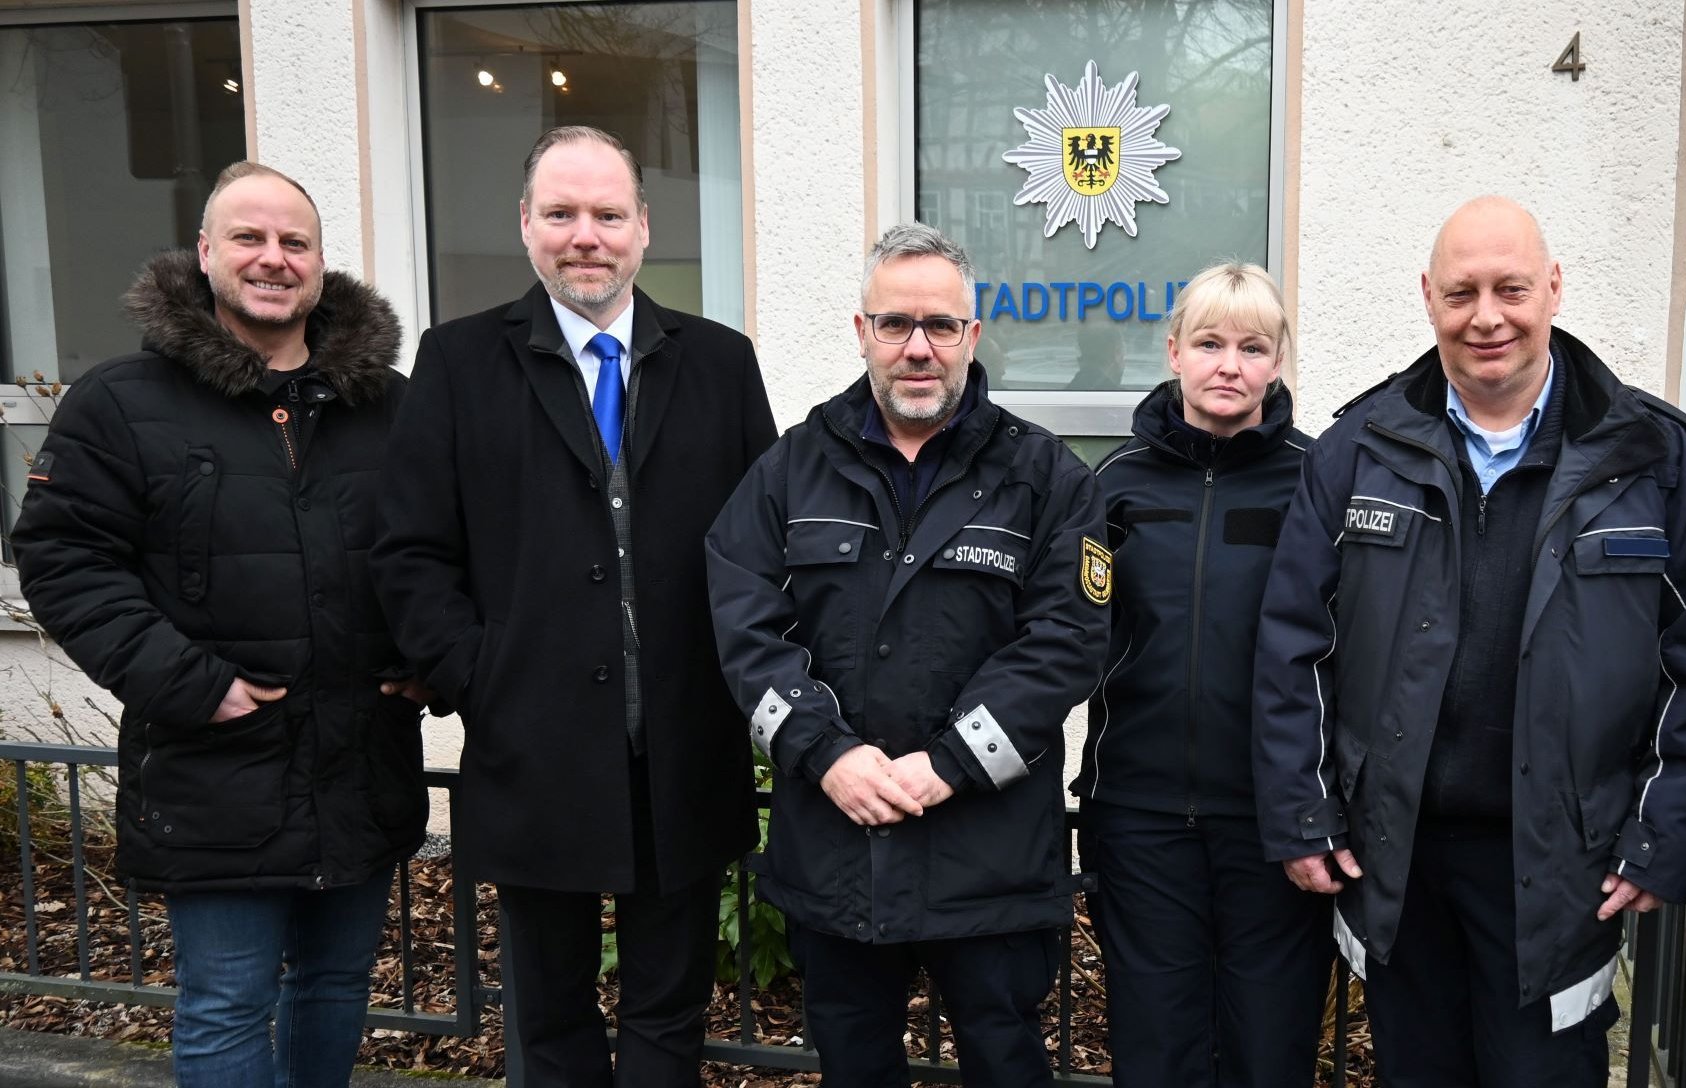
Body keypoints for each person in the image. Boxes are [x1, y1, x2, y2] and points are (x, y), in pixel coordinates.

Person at [1252, 196, 1686, 1086]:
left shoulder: (1657, 460)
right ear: (1428, 298)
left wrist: (1665, 834)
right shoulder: (1358, 450)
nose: (1487, 316)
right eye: (1461, 292)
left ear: (1553, 288)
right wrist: (1301, 811)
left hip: (1564, 864)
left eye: (1511, 288)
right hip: (1394, 857)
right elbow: (1294, 647)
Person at [371, 126, 777, 1086]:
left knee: (668, 1008)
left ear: (642, 227)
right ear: (526, 226)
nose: (583, 236)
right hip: (533, 743)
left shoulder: (719, 361)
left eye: (606, 214)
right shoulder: (460, 361)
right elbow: (410, 550)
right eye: (561, 214)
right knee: (547, 1014)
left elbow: (762, 543)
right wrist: (480, 677)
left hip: (681, 741)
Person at [14, 162, 417, 1087]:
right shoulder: (120, 402)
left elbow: (440, 551)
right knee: (228, 1002)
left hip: (361, 760)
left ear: (319, 265)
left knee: (335, 985)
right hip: (214, 764)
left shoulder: (389, 405)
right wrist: (189, 682)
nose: (273, 259)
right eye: (249, 238)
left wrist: (430, 663)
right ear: (204, 253)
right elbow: (65, 560)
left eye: (295, 242)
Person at [705, 222, 1108, 1088]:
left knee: (1006, 1062)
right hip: (839, 845)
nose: (916, 348)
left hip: (987, 852)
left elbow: (1066, 641)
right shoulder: (790, 470)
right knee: (855, 1067)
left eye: (938, 325)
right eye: (894, 324)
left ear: (973, 333)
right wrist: (828, 754)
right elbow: (743, 627)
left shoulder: (1046, 477)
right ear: (862, 333)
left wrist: (950, 764)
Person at [1071, 263, 1329, 1087]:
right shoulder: (1115, 484)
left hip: (1272, 821)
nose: (1230, 365)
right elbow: (1072, 633)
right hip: (1140, 814)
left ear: (1277, 361)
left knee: (1269, 1045)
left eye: (1252, 347)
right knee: (1155, 1046)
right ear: (1174, 351)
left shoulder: (1318, 480)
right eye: (1210, 343)